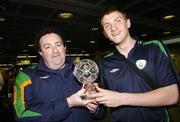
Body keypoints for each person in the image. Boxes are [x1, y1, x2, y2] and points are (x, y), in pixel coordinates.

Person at [89, 6, 180, 122]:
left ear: (128, 23)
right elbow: (101, 111)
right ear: (105, 34)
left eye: (118, 21)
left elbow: (172, 96)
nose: (113, 28)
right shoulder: (106, 62)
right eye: (107, 25)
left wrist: (122, 98)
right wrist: (94, 108)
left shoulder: (153, 48)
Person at [13, 27, 105, 122]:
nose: (55, 51)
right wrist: (68, 103)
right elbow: (21, 116)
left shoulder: (82, 72)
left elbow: (101, 112)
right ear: (41, 52)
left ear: (64, 48)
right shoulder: (27, 76)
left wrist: (95, 109)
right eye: (47, 47)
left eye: (58, 45)